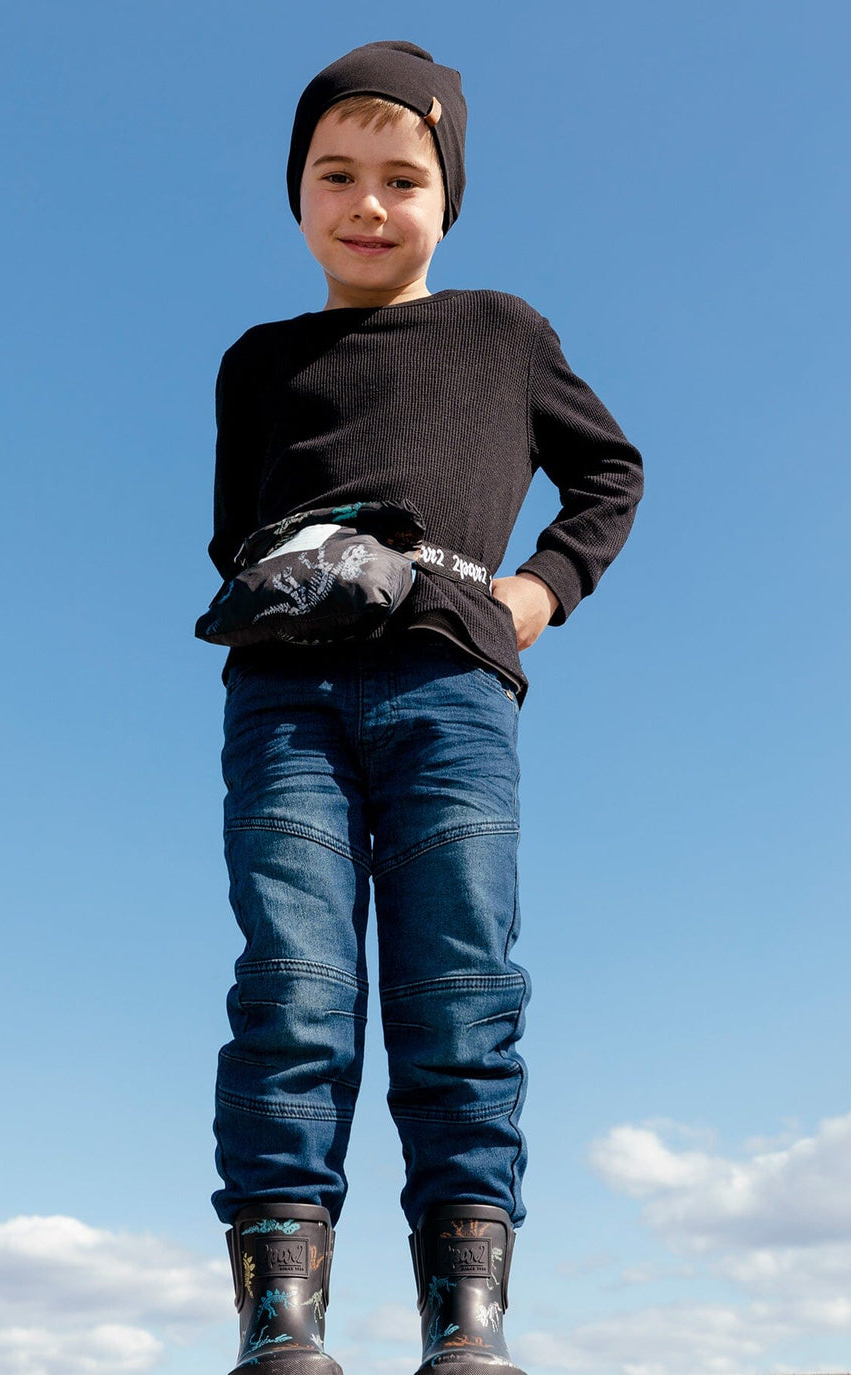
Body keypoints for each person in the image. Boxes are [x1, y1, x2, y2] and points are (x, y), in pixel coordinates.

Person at [204, 40, 643, 1375]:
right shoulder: (257, 360)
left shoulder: (502, 333)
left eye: (403, 177)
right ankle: (283, 1325)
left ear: (446, 197)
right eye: (336, 174)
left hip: (452, 687)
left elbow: (609, 472)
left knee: (459, 985)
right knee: (293, 983)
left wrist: (538, 593)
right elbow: (233, 533)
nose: (369, 203)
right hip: (284, 696)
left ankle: (469, 1327)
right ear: (298, 196)